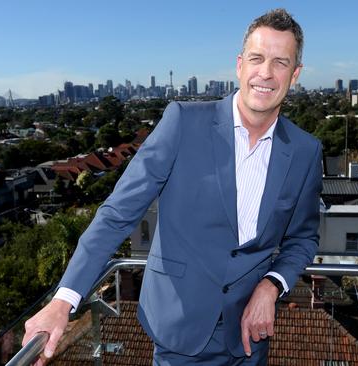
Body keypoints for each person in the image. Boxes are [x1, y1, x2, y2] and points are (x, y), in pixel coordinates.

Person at [23, 8, 322, 366]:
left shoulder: (305, 150)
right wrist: (63, 301)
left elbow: (302, 239)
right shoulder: (183, 122)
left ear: (296, 74)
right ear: (240, 64)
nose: (266, 73)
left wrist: (271, 285)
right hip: (180, 331)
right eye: (257, 58)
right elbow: (117, 214)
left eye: (280, 62)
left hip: (249, 336)